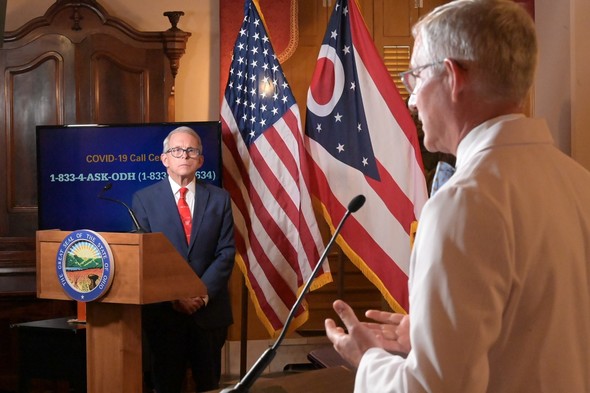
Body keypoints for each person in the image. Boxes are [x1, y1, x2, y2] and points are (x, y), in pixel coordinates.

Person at [325, 0, 590, 392]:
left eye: (414, 78)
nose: (411, 100)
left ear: (452, 76)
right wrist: (431, 338)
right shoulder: (579, 182)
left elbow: (431, 388)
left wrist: (368, 362)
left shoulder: (462, 203)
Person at [132, 126, 235, 393]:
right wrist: (176, 297)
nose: (184, 155)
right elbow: (145, 256)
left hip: (209, 313)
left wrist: (199, 294)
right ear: (164, 159)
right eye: (177, 150)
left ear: (200, 160)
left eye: (191, 150)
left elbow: (226, 252)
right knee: (165, 385)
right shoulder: (143, 200)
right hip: (164, 314)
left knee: (209, 386)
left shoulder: (220, 199)